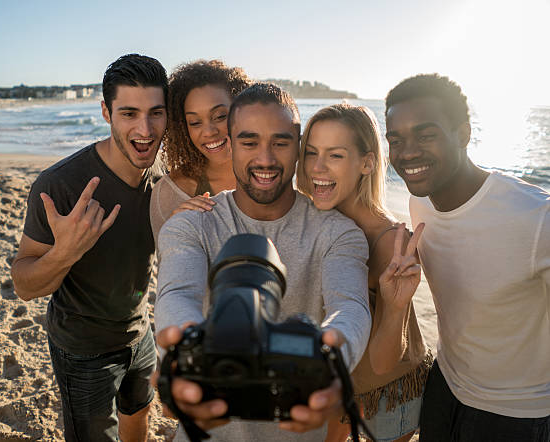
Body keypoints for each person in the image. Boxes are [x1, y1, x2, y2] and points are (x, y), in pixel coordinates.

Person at [154, 83, 372, 441]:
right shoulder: (192, 223)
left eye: (281, 142)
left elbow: (350, 307)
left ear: (299, 143)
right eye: (249, 141)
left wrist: (333, 360)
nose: (266, 159)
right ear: (229, 143)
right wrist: (182, 354)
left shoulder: (338, 233)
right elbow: (177, 295)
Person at [10, 54, 168, 442]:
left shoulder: (164, 177)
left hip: (139, 329)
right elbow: (24, 286)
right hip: (83, 350)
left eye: (156, 113)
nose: (145, 129)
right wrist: (65, 252)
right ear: (105, 112)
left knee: (140, 410)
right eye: (129, 113)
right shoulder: (60, 184)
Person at [385, 73, 550, 441]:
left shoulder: (536, 219)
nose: (408, 152)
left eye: (426, 136)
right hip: (445, 384)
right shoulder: (419, 201)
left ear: (463, 134)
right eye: (396, 140)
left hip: (517, 413)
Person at [296, 104, 432, 442]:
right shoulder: (316, 217)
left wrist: (397, 304)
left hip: (390, 391)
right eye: (311, 152)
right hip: (342, 379)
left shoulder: (390, 243)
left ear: (367, 163)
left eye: (335, 155)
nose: (317, 166)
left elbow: (385, 362)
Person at [149, 60, 251, 244]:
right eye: (195, 122)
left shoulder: (275, 173)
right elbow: (170, 270)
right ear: (183, 128)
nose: (209, 132)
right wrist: (176, 232)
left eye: (220, 116)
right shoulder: (170, 193)